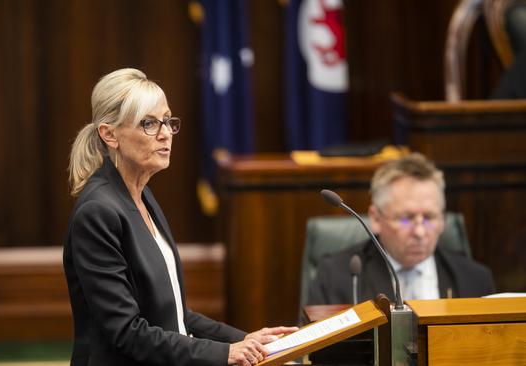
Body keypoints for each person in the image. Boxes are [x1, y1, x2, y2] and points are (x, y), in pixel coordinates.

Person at [63, 68, 296, 366]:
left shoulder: (142, 194)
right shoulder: (98, 212)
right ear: (110, 135)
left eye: (167, 121)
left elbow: (173, 315)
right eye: (148, 123)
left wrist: (242, 339)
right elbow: (126, 331)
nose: (165, 134)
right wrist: (226, 354)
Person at [306, 153, 495, 306]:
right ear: (376, 218)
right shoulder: (336, 277)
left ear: (443, 219)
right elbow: (315, 351)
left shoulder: (474, 279)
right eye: (406, 219)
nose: (420, 232)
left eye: (429, 217)